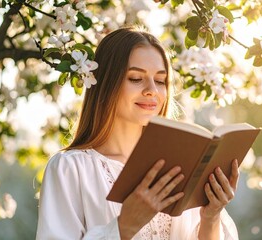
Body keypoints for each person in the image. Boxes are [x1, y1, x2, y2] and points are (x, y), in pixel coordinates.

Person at [36, 26, 239, 239]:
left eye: (160, 81)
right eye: (135, 78)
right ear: (106, 83)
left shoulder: (180, 168)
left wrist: (211, 216)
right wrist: (125, 226)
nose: (152, 89)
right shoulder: (71, 169)